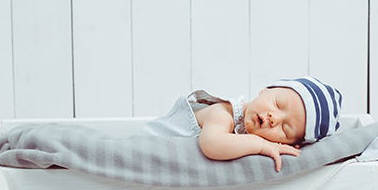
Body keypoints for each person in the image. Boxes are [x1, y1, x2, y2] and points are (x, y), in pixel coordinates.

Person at [142, 76, 342, 171]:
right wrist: (262, 145)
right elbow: (212, 145)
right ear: (265, 90)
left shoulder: (243, 134)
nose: (275, 118)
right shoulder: (223, 113)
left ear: (289, 144)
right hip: (144, 147)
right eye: (279, 103)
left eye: (285, 128)